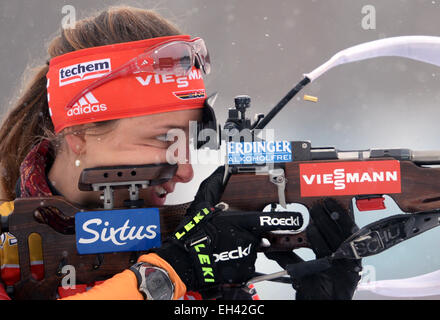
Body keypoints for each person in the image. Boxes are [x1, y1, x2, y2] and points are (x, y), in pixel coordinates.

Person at [0, 5, 361, 300]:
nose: (186, 170)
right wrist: (164, 276)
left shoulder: (185, 249)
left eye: (189, 139)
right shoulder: (12, 246)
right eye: (162, 139)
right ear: (78, 132)